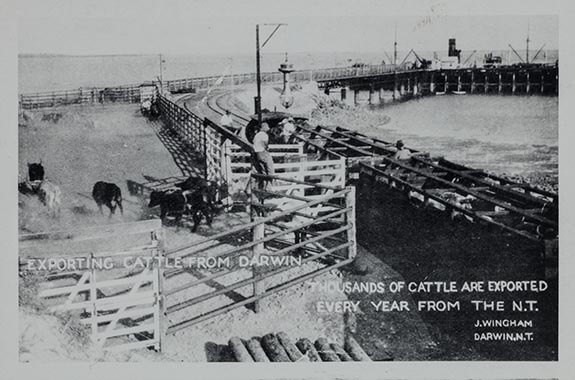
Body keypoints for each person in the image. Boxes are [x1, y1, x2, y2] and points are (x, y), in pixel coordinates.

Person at [253, 123, 274, 188]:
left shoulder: (256, 135)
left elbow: (254, 142)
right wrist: (267, 147)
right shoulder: (264, 135)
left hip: (257, 153)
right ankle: (269, 187)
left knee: (263, 170)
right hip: (263, 151)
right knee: (270, 169)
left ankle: (264, 186)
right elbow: (265, 144)